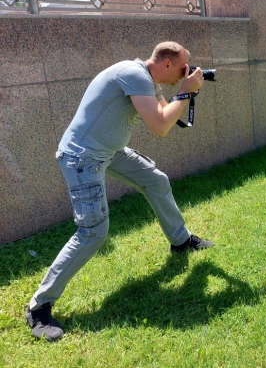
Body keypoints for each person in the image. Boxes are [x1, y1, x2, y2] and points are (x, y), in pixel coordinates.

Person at [25, 41, 214, 342]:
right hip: (83, 157)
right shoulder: (135, 75)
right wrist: (186, 90)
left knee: (156, 180)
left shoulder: (149, 80)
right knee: (93, 232)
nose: (184, 72)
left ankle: (180, 241)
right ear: (167, 64)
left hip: (108, 151)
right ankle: (39, 306)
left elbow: (170, 114)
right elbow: (160, 127)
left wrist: (188, 91)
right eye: (182, 67)